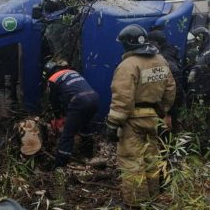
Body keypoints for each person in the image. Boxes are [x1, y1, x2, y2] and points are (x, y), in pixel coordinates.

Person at [105, 24, 176, 208]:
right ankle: (153, 197)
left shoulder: (128, 65)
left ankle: (136, 203)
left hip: (132, 121)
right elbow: (170, 90)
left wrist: (113, 124)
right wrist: (163, 111)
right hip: (153, 119)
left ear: (127, 44)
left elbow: (122, 97)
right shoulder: (161, 60)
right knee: (151, 158)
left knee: (131, 162)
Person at [44, 58, 99, 168]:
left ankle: (60, 164)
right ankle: (89, 154)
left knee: (68, 134)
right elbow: (69, 92)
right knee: (85, 126)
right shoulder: (72, 72)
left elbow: (54, 101)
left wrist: (58, 117)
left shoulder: (53, 79)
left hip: (79, 101)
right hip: (94, 97)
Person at [148, 30, 186, 132]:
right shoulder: (172, 53)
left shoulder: (163, 60)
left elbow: (173, 89)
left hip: (167, 109)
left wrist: (169, 112)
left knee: (167, 134)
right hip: (171, 105)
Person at [186, 27, 210, 105]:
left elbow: (203, 63)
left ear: (204, 39)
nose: (195, 44)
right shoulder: (202, 49)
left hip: (206, 86)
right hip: (202, 84)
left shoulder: (208, 50)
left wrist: (194, 70)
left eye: (197, 41)